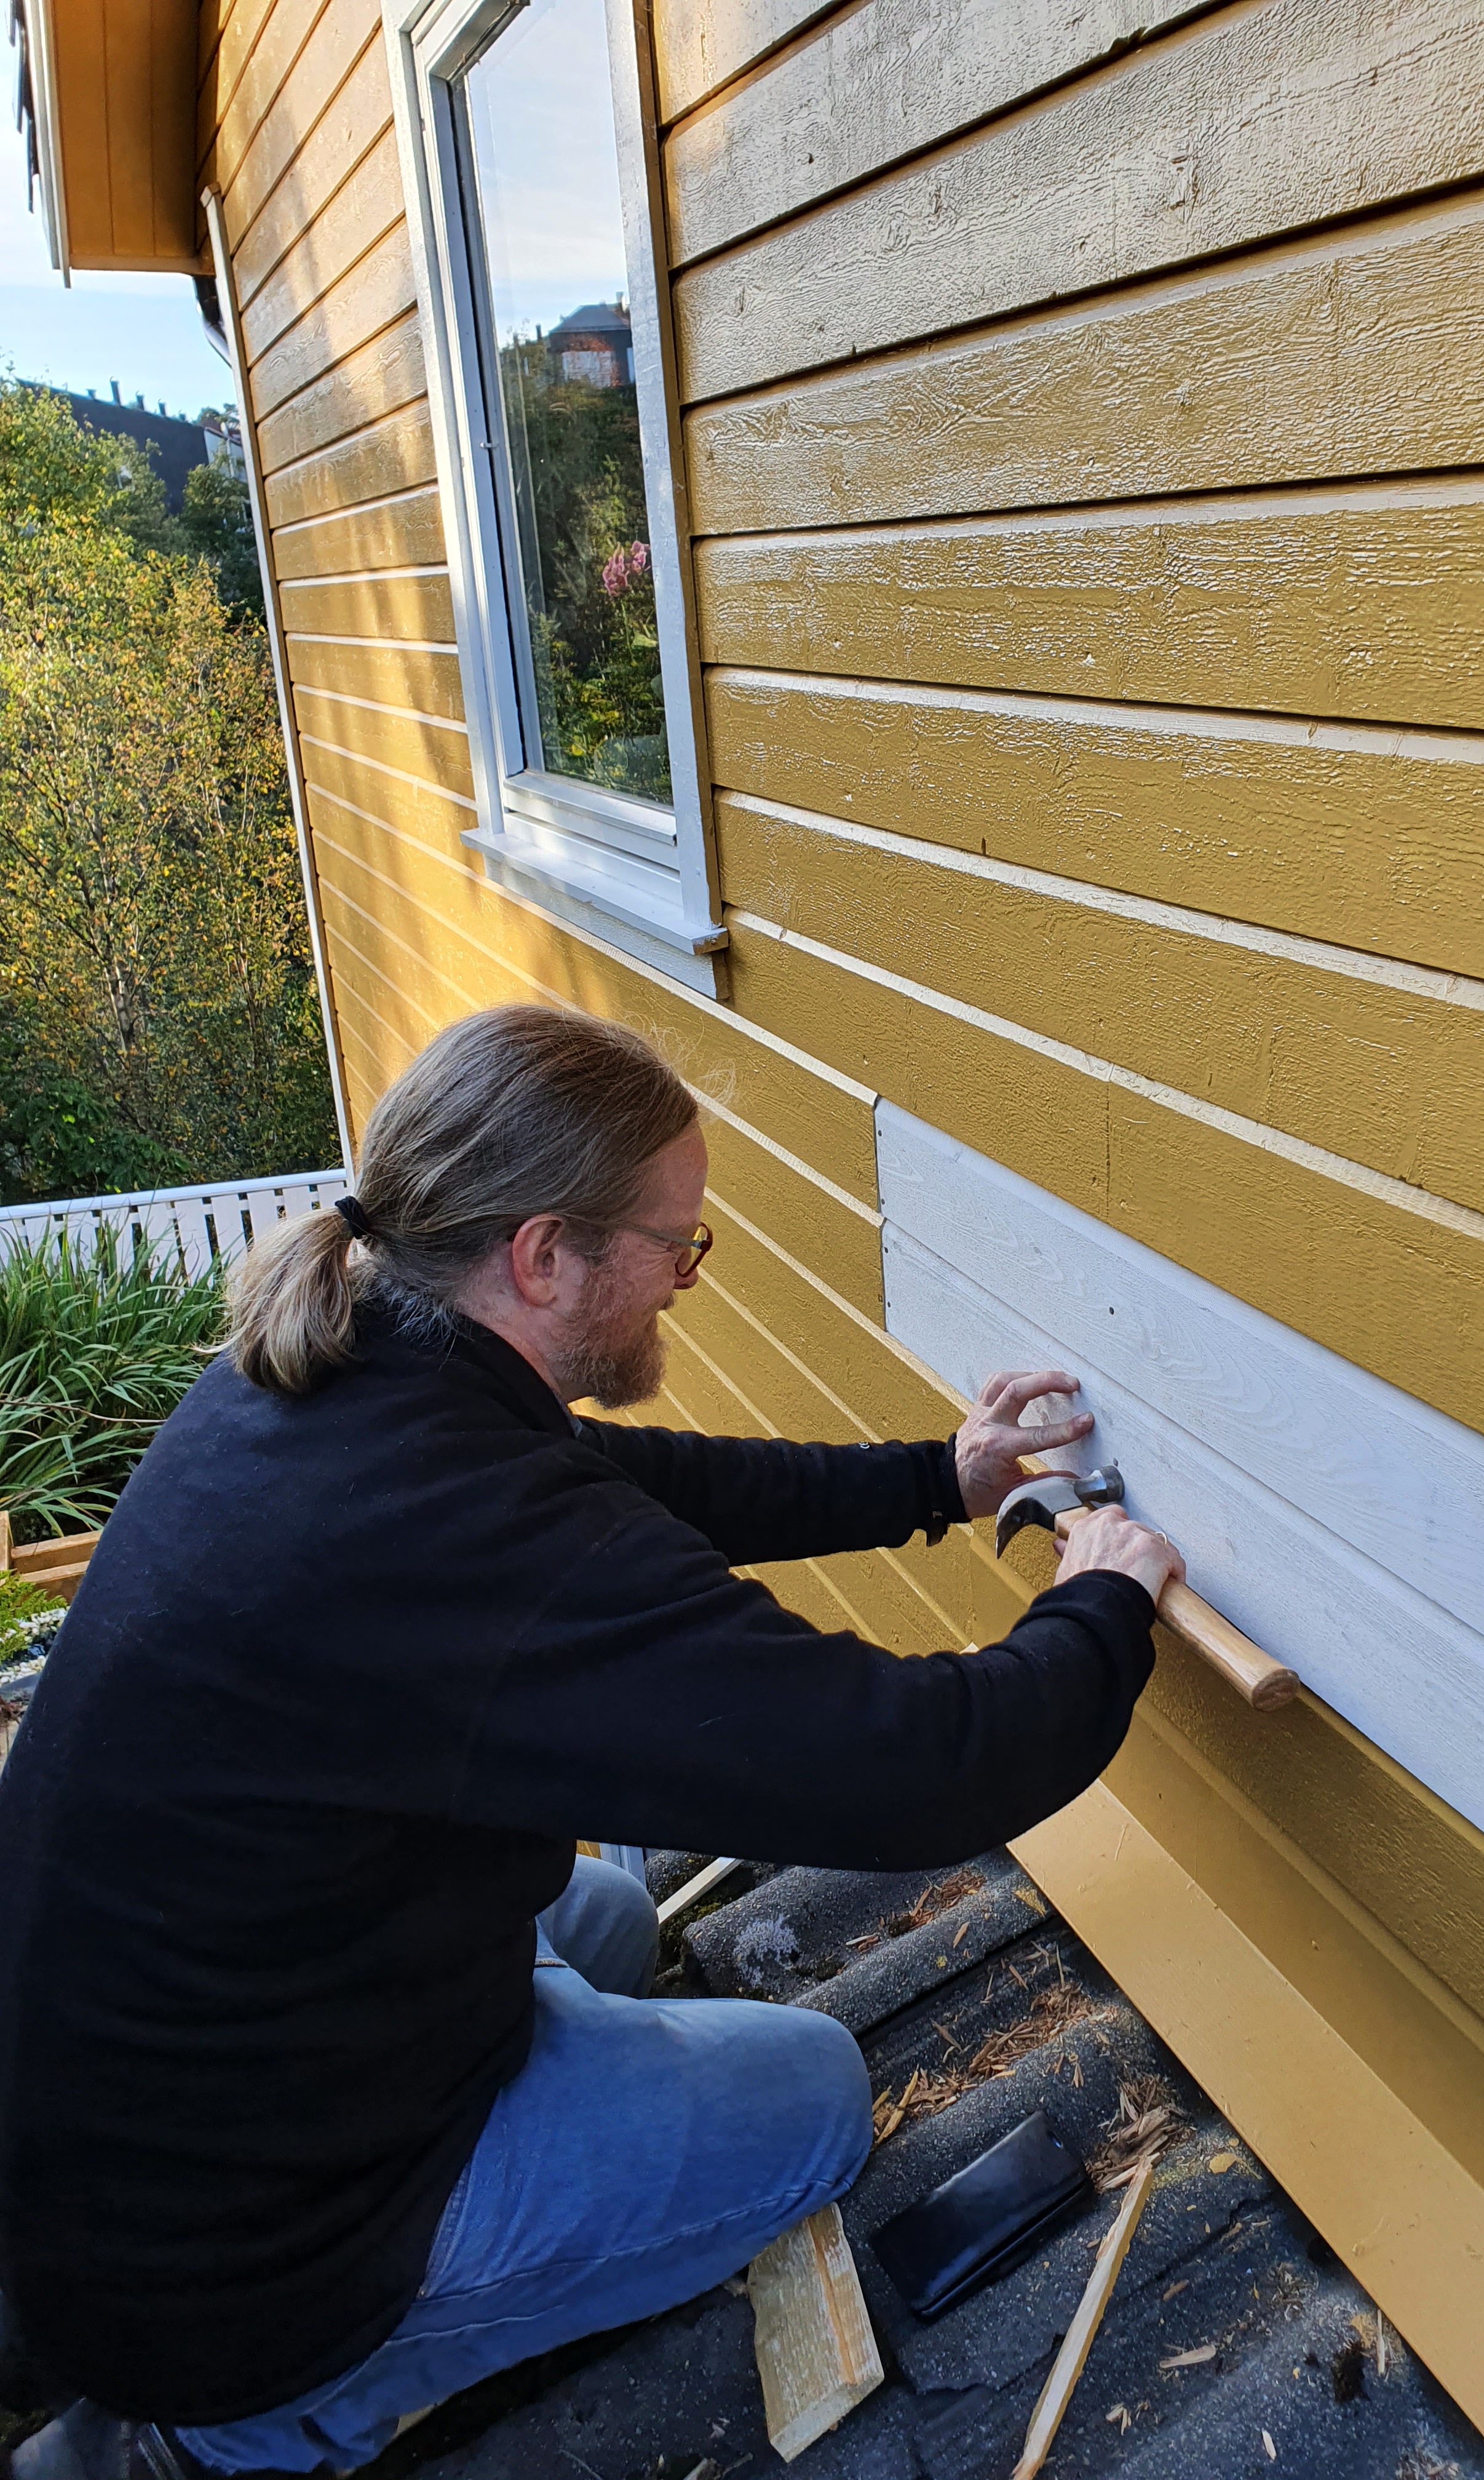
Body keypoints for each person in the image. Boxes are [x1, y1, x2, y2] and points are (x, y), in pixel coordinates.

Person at [0, 1004, 1183, 2479]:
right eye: (678, 1245)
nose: (689, 1277)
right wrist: (1101, 1604)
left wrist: (937, 1477)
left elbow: (642, 1481)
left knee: (609, 1914)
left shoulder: (338, 1367)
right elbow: (923, 1767)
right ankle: (233, 2436)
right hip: (237, 2265)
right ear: (545, 1254)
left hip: (158, 2099)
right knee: (811, 2104)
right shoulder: (474, 1539)